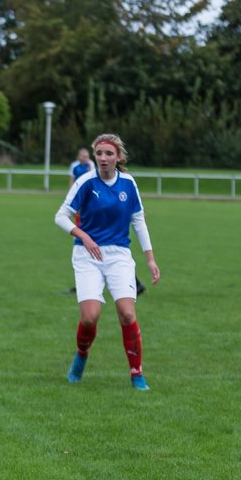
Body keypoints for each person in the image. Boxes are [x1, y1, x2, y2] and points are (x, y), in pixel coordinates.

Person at [54, 133, 159, 390]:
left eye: (109, 154)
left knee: (126, 313)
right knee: (90, 317)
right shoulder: (86, 182)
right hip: (87, 255)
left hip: (119, 255)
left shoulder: (129, 184)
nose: (103, 158)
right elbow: (61, 216)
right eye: (99, 153)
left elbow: (139, 222)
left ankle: (137, 373)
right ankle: (81, 355)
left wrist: (150, 260)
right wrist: (84, 237)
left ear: (119, 157)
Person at [64, 146, 145, 296]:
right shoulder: (75, 167)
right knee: (88, 247)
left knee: (100, 248)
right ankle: (86, 284)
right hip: (82, 211)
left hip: (93, 214)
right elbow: (75, 184)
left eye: (85, 155)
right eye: (81, 155)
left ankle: (132, 283)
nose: (83, 157)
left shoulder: (92, 168)